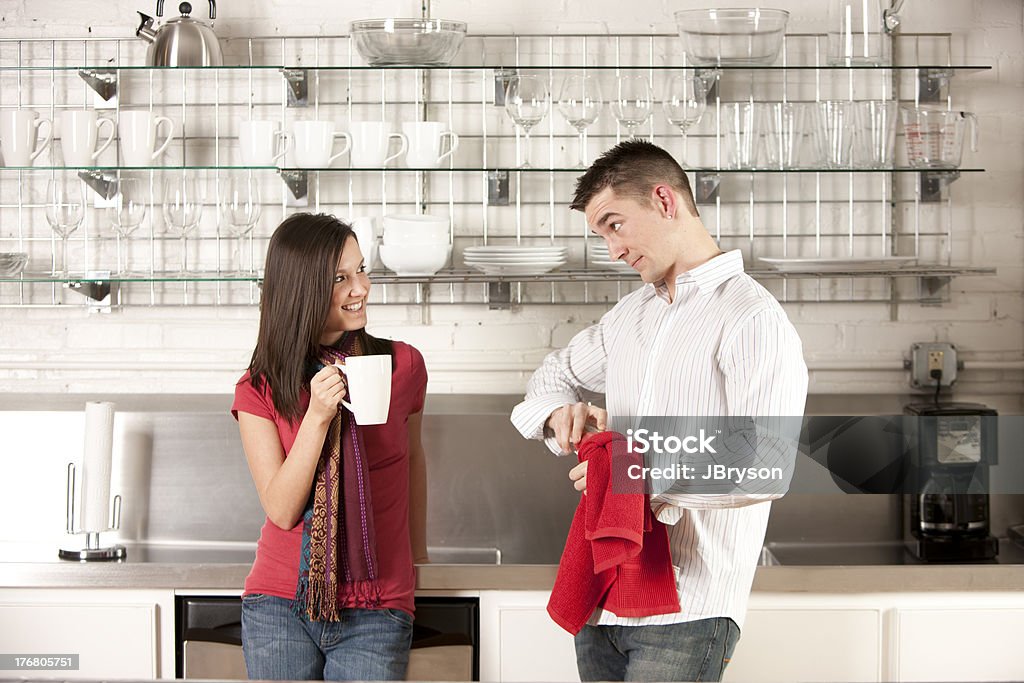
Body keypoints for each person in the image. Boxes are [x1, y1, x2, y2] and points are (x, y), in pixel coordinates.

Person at [511, 140, 808, 682]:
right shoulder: (630, 317)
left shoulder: (751, 318)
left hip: (691, 605)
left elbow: (767, 461)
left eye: (614, 225)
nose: (612, 249)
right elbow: (551, 377)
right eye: (600, 234)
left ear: (665, 201)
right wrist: (559, 416)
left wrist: (630, 474)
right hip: (604, 591)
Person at [231, 212, 429, 681]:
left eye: (362, 270)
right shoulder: (259, 388)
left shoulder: (403, 365)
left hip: (378, 605)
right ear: (303, 287)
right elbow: (281, 509)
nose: (360, 288)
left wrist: (419, 559)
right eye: (341, 278)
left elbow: (413, 463)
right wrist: (318, 416)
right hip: (279, 602)